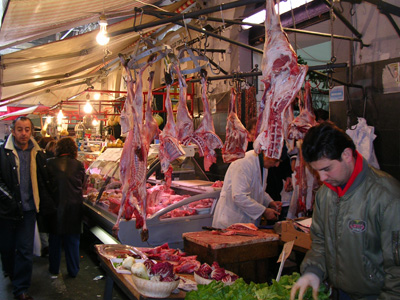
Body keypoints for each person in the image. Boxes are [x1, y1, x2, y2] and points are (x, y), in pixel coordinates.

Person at [290, 122, 400, 300]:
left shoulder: (387, 197)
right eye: (317, 171)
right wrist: (313, 270)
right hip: (339, 293)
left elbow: (397, 269)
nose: (322, 178)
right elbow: (320, 241)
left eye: (327, 169)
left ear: (347, 155)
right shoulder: (325, 195)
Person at [0, 116, 53, 300]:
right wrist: (9, 201)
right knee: (7, 248)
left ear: (31, 131)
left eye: (27, 129)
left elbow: (44, 180)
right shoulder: (2, 153)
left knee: (25, 249)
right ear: (12, 131)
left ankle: (21, 289)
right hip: (7, 211)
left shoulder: (37, 153)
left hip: (29, 210)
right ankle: (11, 273)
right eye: (20, 129)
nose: (24, 133)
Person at [212, 149, 282, 229]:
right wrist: (264, 211)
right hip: (231, 221)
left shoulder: (262, 165)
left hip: (245, 223)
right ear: (267, 154)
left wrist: (270, 202)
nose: (277, 165)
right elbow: (239, 196)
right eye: (276, 161)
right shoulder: (244, 162)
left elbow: (258, 189)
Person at [46, 137, 85, 279]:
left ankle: (54, 270)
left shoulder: (49, 163)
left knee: (54, 240)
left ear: (58, 149)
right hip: (74, 207)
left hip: (55, 207)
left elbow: (47, 185)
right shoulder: (79, 165)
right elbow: (82, 183)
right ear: (73, 150)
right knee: (73, 241)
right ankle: (73, 270)